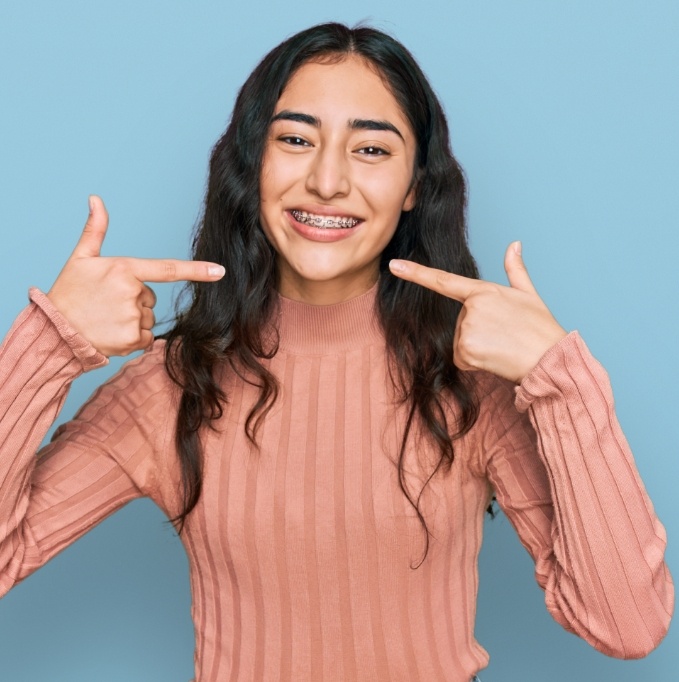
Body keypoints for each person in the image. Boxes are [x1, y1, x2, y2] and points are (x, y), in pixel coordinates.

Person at [0, 22, 673, 682]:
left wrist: (559, 380)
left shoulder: (470, 382)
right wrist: (51, 343)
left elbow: (624, 625)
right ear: (251, 165)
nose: (326, 181)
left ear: (414, 186)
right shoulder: (173, 388)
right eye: (294, 139)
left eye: (371, 151)